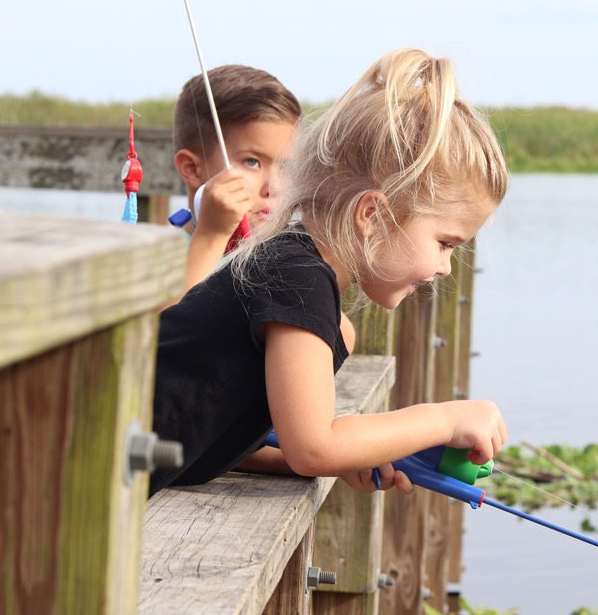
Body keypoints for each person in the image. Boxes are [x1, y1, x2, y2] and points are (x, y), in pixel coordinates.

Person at [149, 48, 509, 497]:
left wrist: (347, 456)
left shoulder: (298, 276)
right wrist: (444, 420)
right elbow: (314, 446)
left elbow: (205, 430)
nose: (444, 267)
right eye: (445, 243)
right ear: (374, 215)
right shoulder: (297, 279)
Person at [171, 64, 301, 292]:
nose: (274, 187)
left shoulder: (284, 263)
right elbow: (170, 324)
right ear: (191, 168)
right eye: (252, 162)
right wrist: (212, 235)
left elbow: (343, 329)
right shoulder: (159, 260)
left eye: (284, 165)